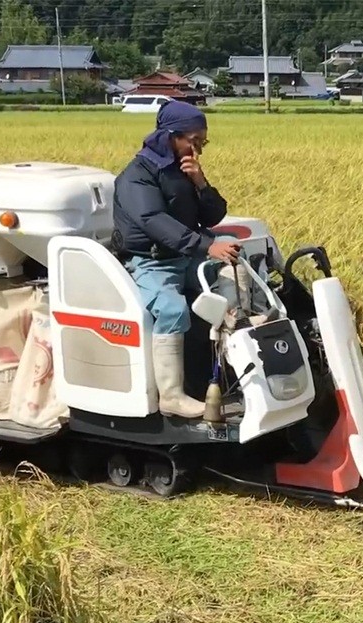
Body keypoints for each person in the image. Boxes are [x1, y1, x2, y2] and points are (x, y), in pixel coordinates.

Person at [113, 99, 244, 419]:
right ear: (170, 135)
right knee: (172, 308)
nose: (198, 149)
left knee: (233, 255)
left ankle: (233, 325)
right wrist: (204, 246)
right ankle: (171, 396)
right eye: (194, 141)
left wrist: (201, 183)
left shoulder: (184, 169)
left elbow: (212, 217)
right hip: (151, 261)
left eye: (203, 142)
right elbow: (153, 220)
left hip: (185, 255)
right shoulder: (137, 176)